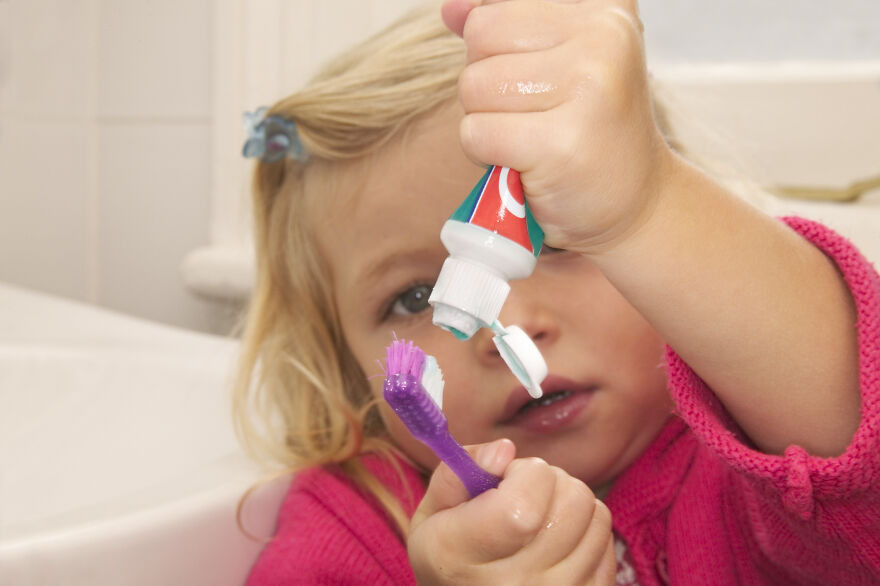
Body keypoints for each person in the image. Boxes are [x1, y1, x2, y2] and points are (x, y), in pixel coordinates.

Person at [233, 1, 880, 584]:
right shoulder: (352, 535)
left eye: (563, 244)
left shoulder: (742, 469)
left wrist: (648, 202)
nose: (508, 324)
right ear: (346, 370)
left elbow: (854, 423)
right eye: (413, 297)